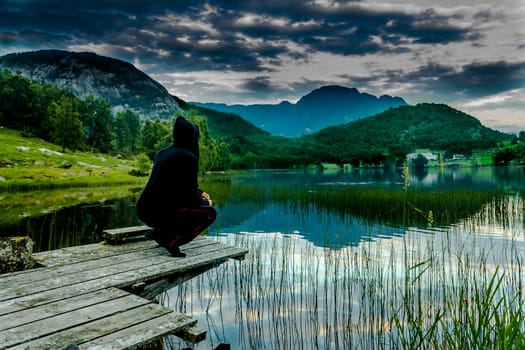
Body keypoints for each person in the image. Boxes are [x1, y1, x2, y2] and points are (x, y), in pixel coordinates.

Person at [136, 116, 216, 257]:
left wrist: (201, 192)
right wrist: (205, 202)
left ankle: (159, 234)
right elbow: (189, 199)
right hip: (160, 213)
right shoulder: (189, 158)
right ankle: (171, 241)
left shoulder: (162, 153)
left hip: (144, 210)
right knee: (209, 213)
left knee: (178, 208)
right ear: (191, 137)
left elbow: (174, 185)